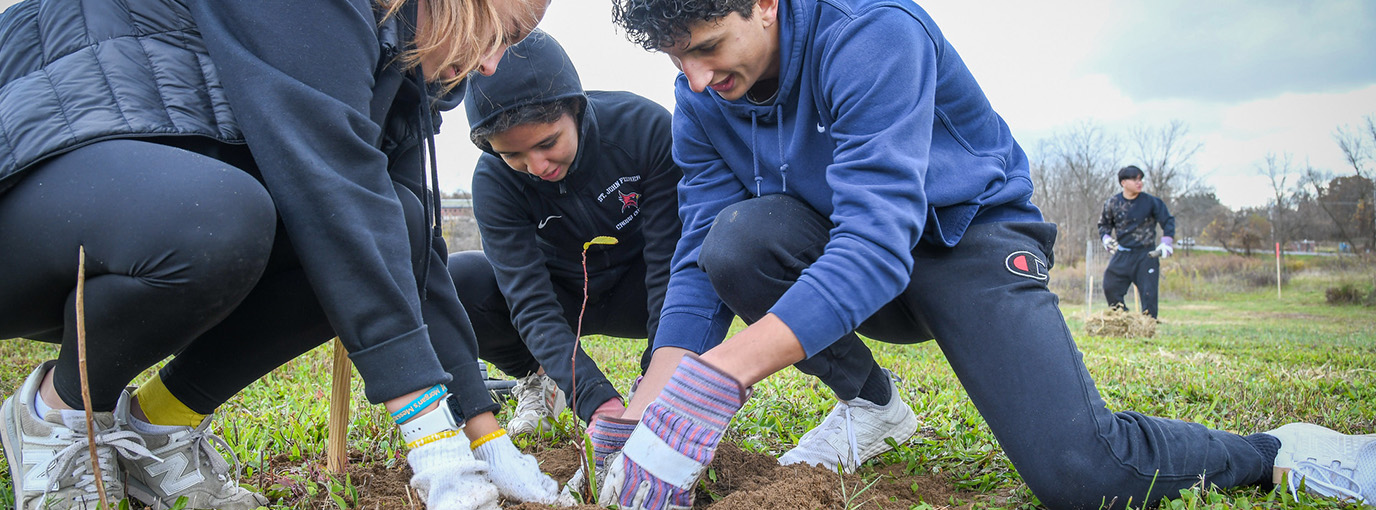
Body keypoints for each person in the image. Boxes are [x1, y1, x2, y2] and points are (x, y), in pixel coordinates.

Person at [586, 0, 1376, 509]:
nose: (693, 79)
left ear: (765, 4)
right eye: (674, 61)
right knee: (734, 242)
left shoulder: (870, 34)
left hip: (968, 243)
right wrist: (656, 391)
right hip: (852, 265)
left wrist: (720, 376)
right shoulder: (700, 98)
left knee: (1083, 475)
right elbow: (699, 250)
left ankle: (1282, 451)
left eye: (709, 47)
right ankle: (872, 406)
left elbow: (873, 242)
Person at [0, 0, 573, 509]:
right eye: (503, 31)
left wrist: (483, 433)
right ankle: (58, 415)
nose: (493, 64)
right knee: (222, 218)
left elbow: (414, 254)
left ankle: (161, 426)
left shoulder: (399, 81)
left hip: (143, 233)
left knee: (396, 221)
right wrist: (429, 439)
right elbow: (334, 195)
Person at [451, 30, 679, 436]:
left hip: (641, 288)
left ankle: (672, 373)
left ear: (576, 109)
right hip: (568, 296)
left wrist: (657, 378)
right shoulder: (494, 183)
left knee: (711, 258)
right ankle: (541, 379)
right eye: (513, 155)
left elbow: (669, 266)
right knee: (460, 283)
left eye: (548, 143)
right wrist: (596, 399)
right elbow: (530, 301)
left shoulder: (644, 129)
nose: (537, 166)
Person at [1098, 165, 1177, 319]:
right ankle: (1124, 319)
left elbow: (1168, 221)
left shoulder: (1152, 202)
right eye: (1134, 179)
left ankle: (1148, 325)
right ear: (1123, 182)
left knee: (1149, 293)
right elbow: (1104, 225)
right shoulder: (1112, 203)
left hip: (1146, 255)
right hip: (1123, 253)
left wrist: (1167, 241)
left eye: (1140, 179)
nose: (1139, 182)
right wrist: (1106, 238)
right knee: (1110, 286)